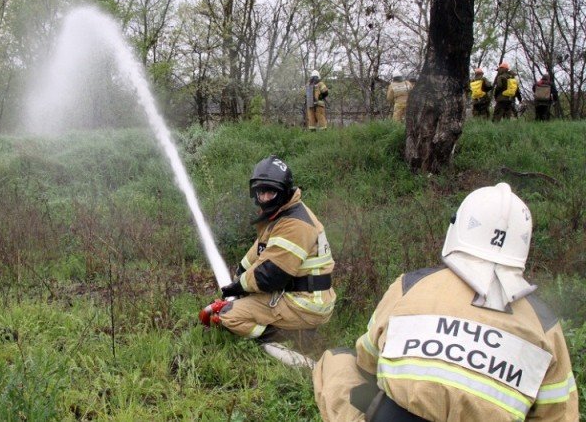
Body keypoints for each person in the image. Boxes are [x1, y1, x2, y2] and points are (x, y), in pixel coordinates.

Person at [313, 183, 578, 421]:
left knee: (339, 361)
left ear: (458, 227)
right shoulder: (544, 323)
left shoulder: (411, 286)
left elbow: (367, 360)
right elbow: (559, 414)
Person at [199, 155, 336, 341]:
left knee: (228, 316)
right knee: (236, 304)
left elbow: (270, 276)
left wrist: (238, 287)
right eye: (260, 193)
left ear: (283, 192)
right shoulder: (279, 216)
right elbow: (256, 254)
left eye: (270, 193)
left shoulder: (295, 224)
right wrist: (239, 276)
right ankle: (282, 326)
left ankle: (295, 337)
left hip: (305, 304)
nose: (264, 199)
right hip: (296, 295)